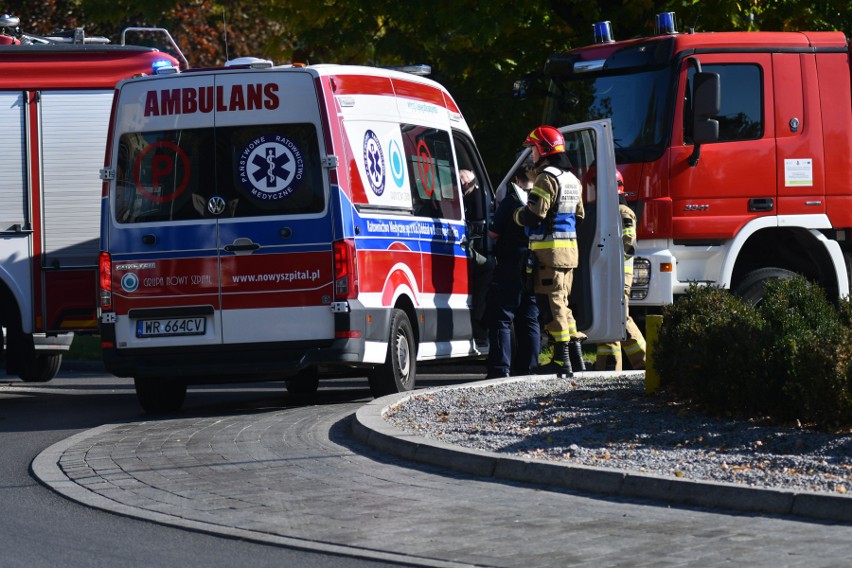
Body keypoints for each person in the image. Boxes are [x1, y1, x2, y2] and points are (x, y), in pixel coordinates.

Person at [513, 126, 585, 378]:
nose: (531, 154)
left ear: (542, 149)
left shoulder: (546, 177)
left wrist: (517, 215)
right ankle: (576, 359)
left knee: (551, 305)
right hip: (570, 253)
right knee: (563, 303)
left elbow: (534, 215)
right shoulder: (572, 179)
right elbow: (579, 214)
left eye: (532, 148)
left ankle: (561, 359)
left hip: (549, 255)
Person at [484, 162, 540, 379]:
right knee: (529, 317)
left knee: (502, 316)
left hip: (511, 264)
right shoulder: (539, 201)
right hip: (533, 264)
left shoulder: (511, 202)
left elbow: (494, 234)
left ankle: (500, 369)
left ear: (516, 179)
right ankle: (529, 368)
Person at [595, 169, 647, 370]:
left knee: (619, 319)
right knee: (613, 318)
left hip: (618, 275)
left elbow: (628, 243)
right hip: (609, 274)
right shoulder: (610, 211)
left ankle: (643, 363)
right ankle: (607, 367)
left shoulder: (623, 212)